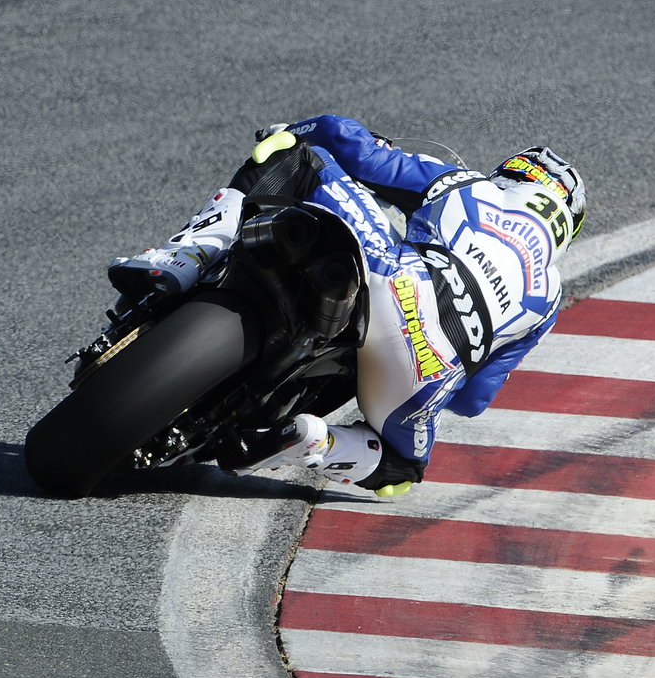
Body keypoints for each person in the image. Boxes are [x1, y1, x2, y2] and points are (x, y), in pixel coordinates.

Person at [107, 115, 585, 496]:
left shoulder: (467, 186)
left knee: (298, 158)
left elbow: (346, 140)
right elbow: (473, 402)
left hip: (394, 278)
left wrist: (295, 130)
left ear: (513, 175)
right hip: (424, 371)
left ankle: (187, 257)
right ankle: (317, 442)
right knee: (403, 470)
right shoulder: (548, 299)